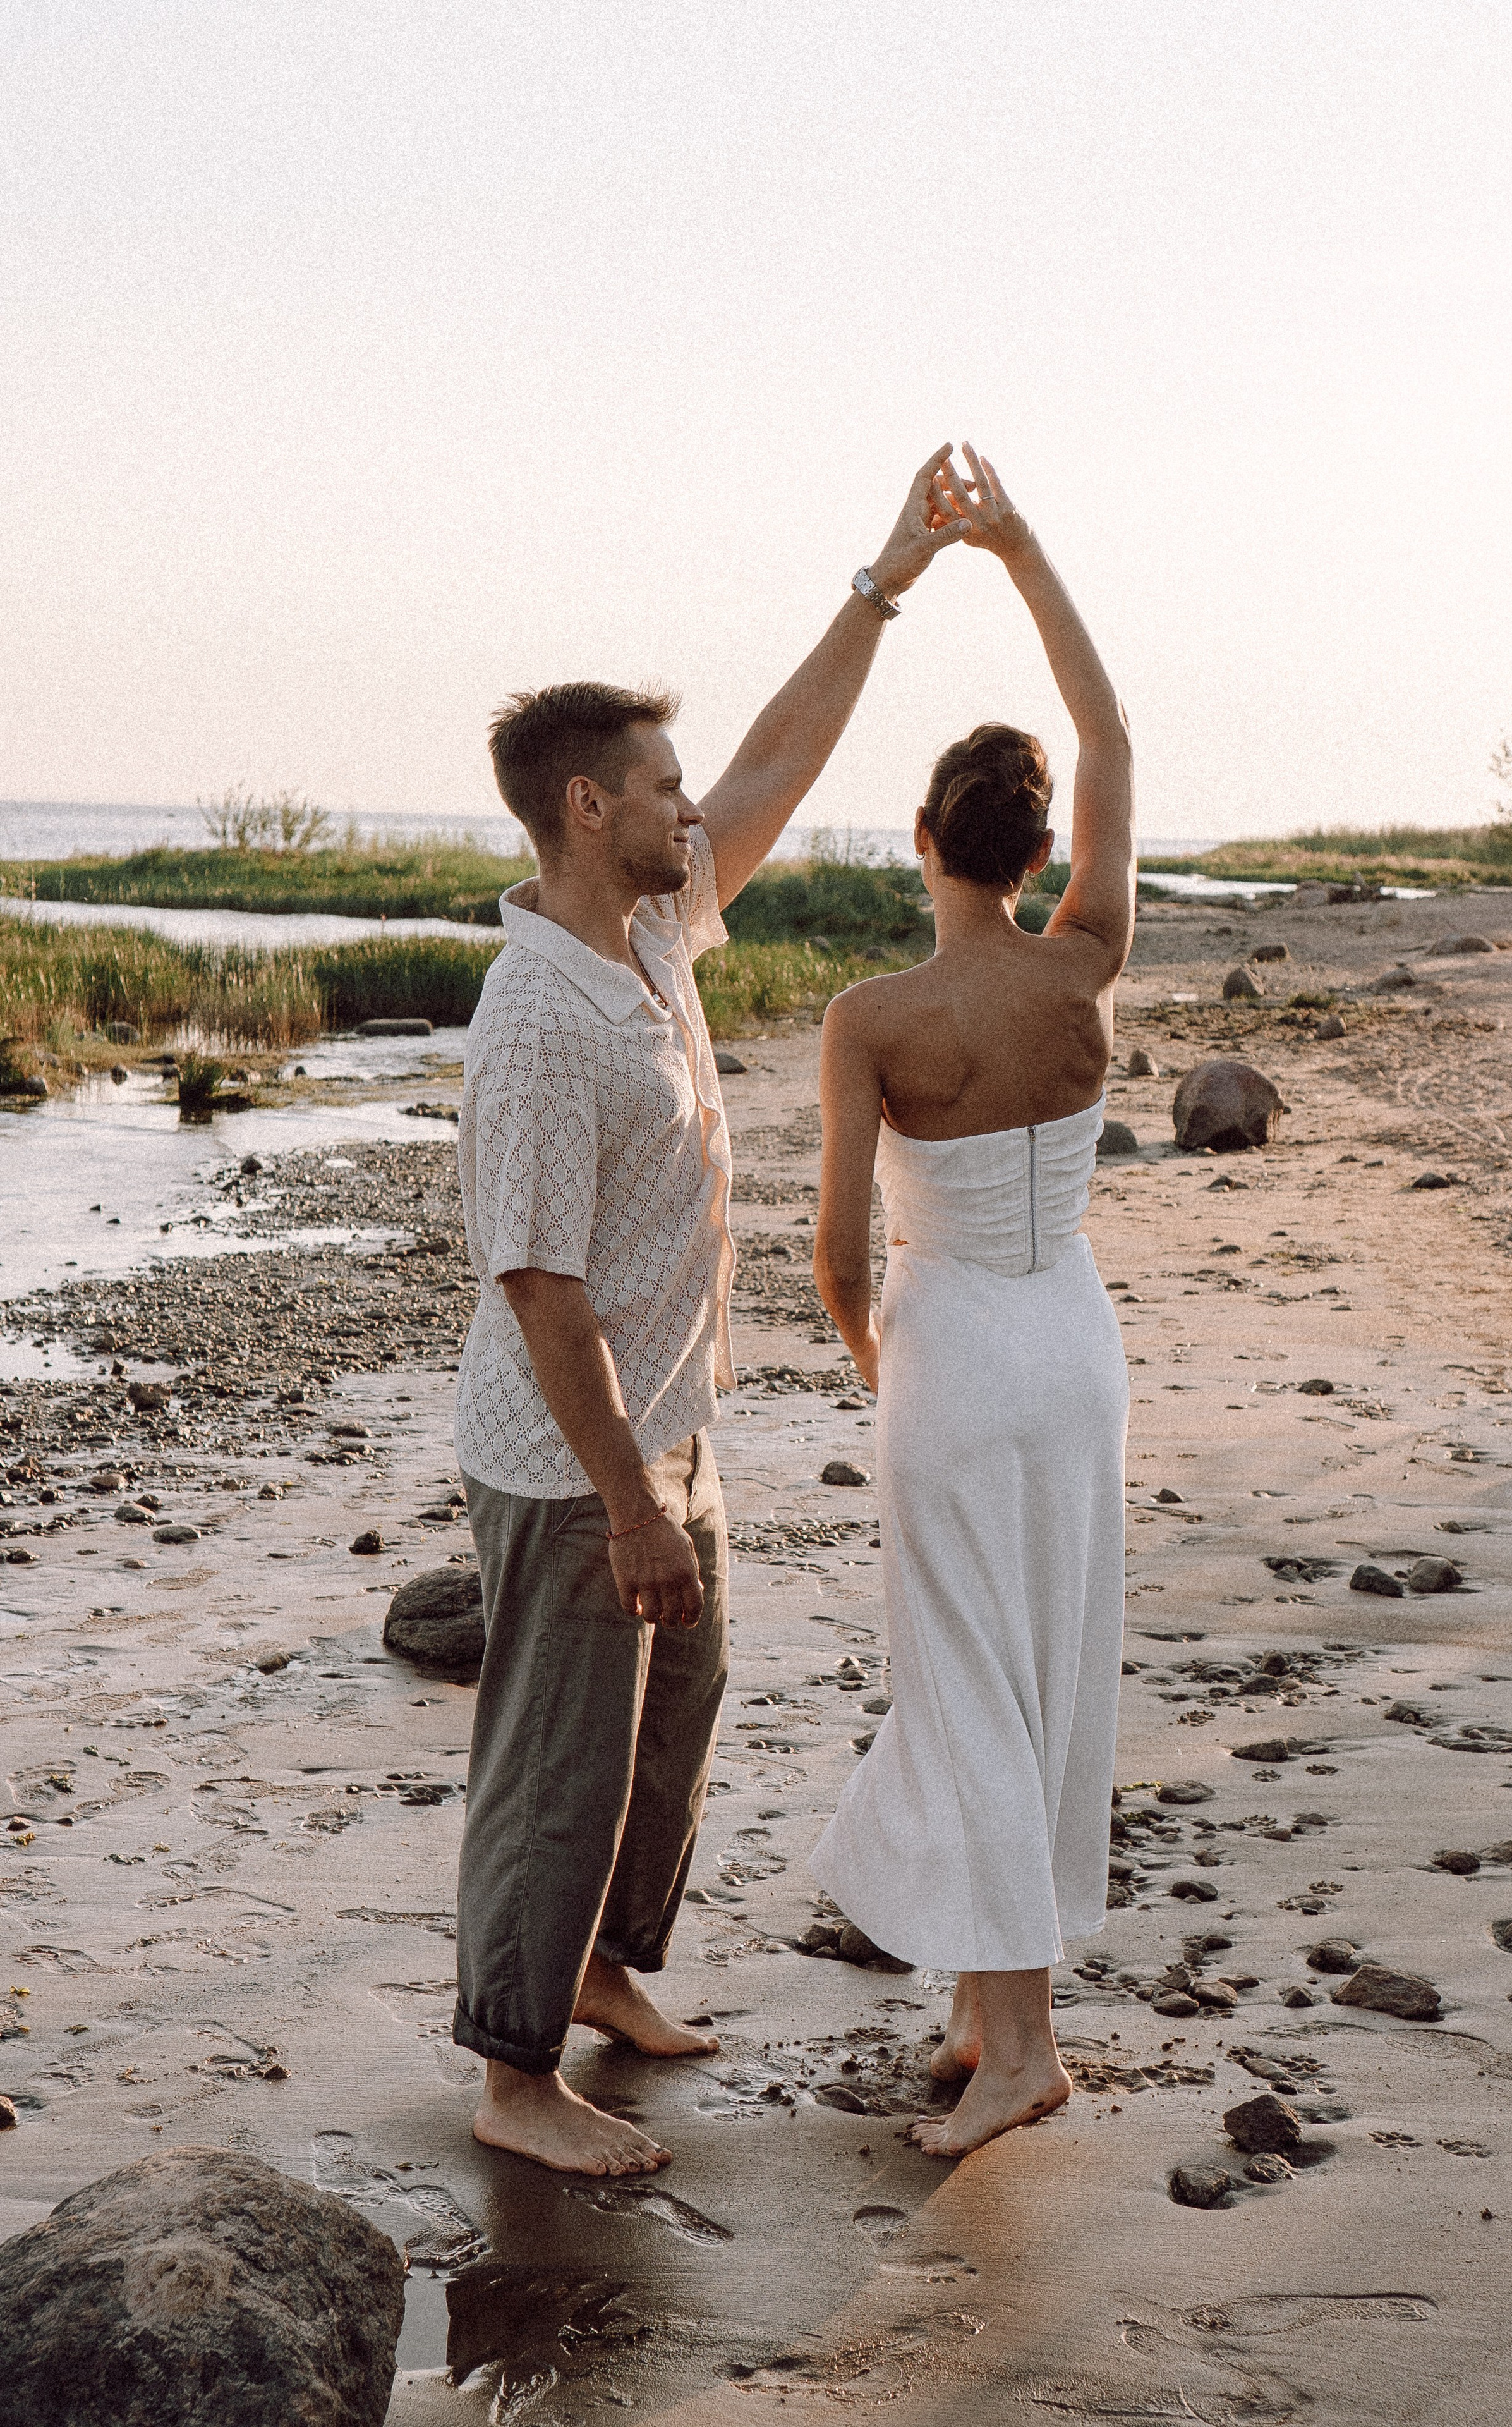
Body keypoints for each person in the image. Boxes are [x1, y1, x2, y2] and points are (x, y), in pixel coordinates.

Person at [451, 449, 973, 2179]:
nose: (699, 807)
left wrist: (886, 579)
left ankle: (604, 1970)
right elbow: (537, 1285)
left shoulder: (659, 933)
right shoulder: (535, 1018)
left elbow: (778, 755)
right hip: (570, 1455)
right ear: (588, 807)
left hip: (673, 1426)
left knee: (675, 1717)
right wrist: (622, 1498)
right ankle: (514, 2075)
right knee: (559, 1760)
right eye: (664, 789)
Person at [811, 446, 1135, 2160]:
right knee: (1048, 1667)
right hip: (1074, 1343)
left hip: (952, 1348)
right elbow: (1114, 742)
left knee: (963, 1680)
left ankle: (1025, 2049)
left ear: (924, 843)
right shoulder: (1085, 962)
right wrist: (1018, 546)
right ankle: (974, 2003)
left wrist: (884, 1363)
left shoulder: (875, 1017)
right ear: (1031, 849)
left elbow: (837, 1258)